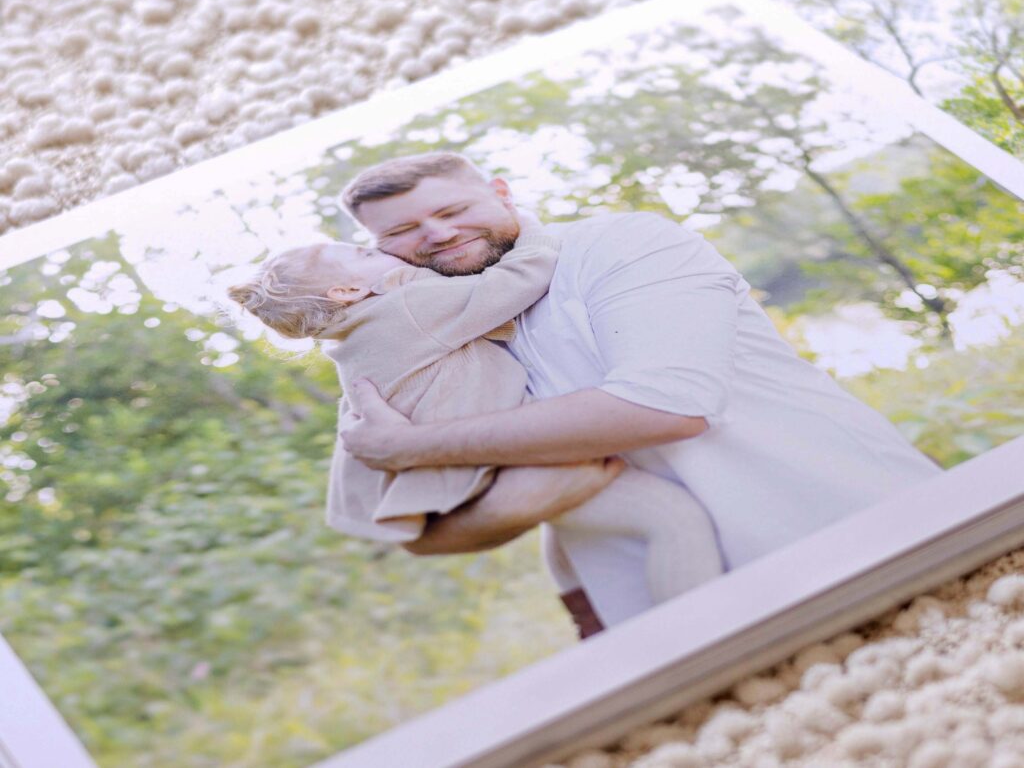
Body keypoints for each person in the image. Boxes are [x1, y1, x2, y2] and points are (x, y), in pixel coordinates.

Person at [336, 150, 945, 633]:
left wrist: (417, 445)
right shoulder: (418, 343)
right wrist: (521, 500)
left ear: (500, 191)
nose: (438, 234)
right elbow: (417, 531)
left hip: (849, 543)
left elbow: (667, 405)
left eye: (452, 209)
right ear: (375, 250)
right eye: (404, 231)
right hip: (668, 632)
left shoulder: (621, 244)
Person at [224, 213, 724, 633]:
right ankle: (706, 642)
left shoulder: (353, 338)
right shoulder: (406, 309)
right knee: (670, 518)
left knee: (575, 527)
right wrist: (532, 231)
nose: (389, 255)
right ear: (350, 289)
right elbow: (516, 283)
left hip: (464, 477)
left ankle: (592, 621)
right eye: (366, 253)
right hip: (490, 464)